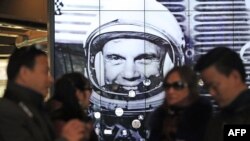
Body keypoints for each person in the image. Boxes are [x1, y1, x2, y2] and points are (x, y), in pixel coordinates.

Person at [83, 0, 186, 140]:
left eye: (144, 58)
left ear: (168, 64)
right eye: (115, 58)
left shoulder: (185, 122)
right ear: (97, 63)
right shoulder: (82, 125)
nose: (129, 74)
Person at [0, 45, 85, 141]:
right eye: (45, 72)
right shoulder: (7, 112)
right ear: (24, 73)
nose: (51, 79)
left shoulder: (36, 108)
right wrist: (66, 139)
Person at [194, 47, 250, 141]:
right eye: (207, 88)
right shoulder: (215, 123)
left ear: (235, 76)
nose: (211, 93)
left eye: (215, 86)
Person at [148, 65, 212, 141]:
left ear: (191, 87)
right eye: (167, 86)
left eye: (177, 85)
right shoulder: (159, 119)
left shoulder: (205, 120)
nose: (170, 91)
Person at [49, 72, 98, 141]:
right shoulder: (70, 123)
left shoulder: (49, 114)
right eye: (89, 89)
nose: (91, 94)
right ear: (78, 93)